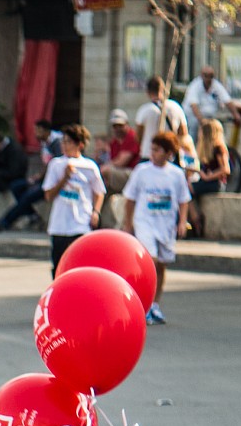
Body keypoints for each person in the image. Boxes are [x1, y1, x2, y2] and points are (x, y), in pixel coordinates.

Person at [120, 132, 192, 324]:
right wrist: (128, 223)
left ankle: (155, 305)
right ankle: (142, 304)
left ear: (169, 153)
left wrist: (182, 221)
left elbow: (184, 200)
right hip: (145, 223)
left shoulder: (176, 174)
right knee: (149, 262)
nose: (152, 153)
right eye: (151, 149)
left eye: (157, 150)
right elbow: (130, 198)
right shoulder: (141, 171)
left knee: (161, 266)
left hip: (165, 225)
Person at [41, 126, 107, 270]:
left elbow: (99, 191)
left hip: (81, 223)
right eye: (63, 142)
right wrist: (65, 178)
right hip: (60, 225)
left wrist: (96, 212)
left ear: (80, 145)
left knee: (80, 265)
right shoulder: (56, 164)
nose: (64, 145)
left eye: (68, 142)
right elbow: (48, 195)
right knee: (59, 266)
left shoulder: (89, 166)